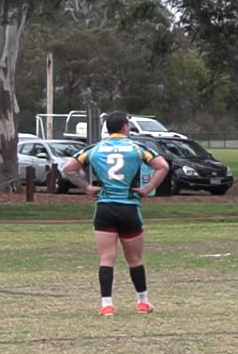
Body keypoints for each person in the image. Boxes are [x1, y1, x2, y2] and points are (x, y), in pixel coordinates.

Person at [62, 112, 170, 316]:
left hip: (104, 207)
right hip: (129, 206)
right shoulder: (137, 148)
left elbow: (69, 168)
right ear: (125, 127)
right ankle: (142, 302)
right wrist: (148, 188)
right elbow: (162, 166)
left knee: (106, 258)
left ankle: (106, 305)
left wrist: (86, 187)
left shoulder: (94, 149)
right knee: (135, 259)